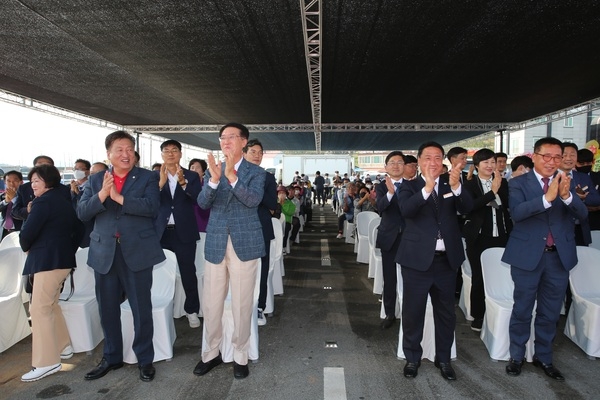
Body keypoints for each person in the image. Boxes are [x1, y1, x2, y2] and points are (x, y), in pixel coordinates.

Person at [78, 130, 165, 382]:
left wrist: (119, 197)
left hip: (137, 251)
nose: (125, 154)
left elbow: (151, 208)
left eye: (129, 149)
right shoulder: (96, 180)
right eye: (119, 150)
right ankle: (112, 356)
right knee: (107, 309)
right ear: (109, 154)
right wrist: (103, 195)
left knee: (141, 308)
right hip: (104, 252)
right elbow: (82, 212)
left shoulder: (147, 177)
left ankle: (145, 359)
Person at [502, 137, 587, 381]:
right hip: (527, 257)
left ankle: (544, 357)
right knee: (522, 309)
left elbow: (582, 216)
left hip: (558, 258)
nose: (551, 162)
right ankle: (517, 356)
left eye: (556, 157)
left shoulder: (566, 181)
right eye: (546, 156)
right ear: (535, 157)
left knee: (550, 312)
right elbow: (517, 213)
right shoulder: (518, 183)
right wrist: (547, 198)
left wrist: (568, 196)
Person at [193, 123, 265, 380]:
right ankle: (211, 353)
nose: (226, 142)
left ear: (243, 142)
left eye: (232, 137)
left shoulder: (257, 172)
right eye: (223, 137)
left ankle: (240, 355)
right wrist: (213, 180)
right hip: (215, 243)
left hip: (244, 244)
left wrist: (231, 176)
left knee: (242, 304)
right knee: (211, 304)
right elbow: (202, 204)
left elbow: (253, 200)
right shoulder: (213, 171)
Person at [396, 141, 473, 381]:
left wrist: (457, 186)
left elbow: (468, 208)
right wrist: (427, 188)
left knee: (446, 313)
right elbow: (407, 211)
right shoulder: (410, 187)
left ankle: (444, 358)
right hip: (417, 262)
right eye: (428, 158)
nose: (433, 162)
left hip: (445, 262)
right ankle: (412, 357)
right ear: (418, 161)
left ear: (444, 162)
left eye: (438, 158)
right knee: (413, 312)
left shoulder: (452, 185)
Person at [19, 164, 83, 382]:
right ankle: (63, 347)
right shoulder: (62, 199)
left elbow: (26, 235)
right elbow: (79, 229)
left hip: (47, 261)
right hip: (61, 259)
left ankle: (47, 362)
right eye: (32, 181)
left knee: (38, 309)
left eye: (37, 180)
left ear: (48, 181)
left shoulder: (42, 202)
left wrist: (29, 215)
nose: (32, 185)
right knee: (51, 306)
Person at [462, 149, 512, 332]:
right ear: (476, 166)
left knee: (500, 276)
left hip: (502, 235)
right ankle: (478, 315)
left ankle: (498, 311)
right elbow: (469, 206)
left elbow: (507, 205)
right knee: (480, 277)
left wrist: (496, 194)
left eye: (493, 162)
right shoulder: (469, 185)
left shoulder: (503, 182)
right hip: (478, 237)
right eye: (485, 163)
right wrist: (491, 194)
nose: (490, 166)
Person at [155, 139, 202, 328]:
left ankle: (191, 310)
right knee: (159, 273)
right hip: (161, 232)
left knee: (188, 272)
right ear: (162, 155)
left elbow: (199, 199)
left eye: (174, 150)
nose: (170, 154)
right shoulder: (154, 176)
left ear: (181, 154)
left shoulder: (191, 175)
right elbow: (149, 202)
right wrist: (160, 184)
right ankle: (161, 308)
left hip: (184, 232)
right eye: (166, 151)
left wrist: (183, 183)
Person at [243, 139, 277, 326]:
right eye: (253, 151)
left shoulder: (267, 177)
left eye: (260, 152)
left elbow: (272, 203)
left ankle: (259, 306)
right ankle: (241, 305)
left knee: (260, 271)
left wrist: (253, 189)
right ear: (244, 153)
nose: (257, 155)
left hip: (261, 228)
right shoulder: (234, 174)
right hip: (238, 229)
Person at [375, 151, 405, 330]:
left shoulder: (414, 185)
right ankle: (389, 313)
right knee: (390, 277)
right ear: (386, 167)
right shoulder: (381, 187)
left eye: (400, 162)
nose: (396, 165)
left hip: (410, 238)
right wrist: (390, 193)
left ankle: (408, 311)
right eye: (392, 162)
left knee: (411, 276)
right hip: (389, 238)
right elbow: (380, 207)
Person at [12, 155, 70, 222]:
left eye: (47, 166)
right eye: (40, 165)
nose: (43, 169)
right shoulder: (24, 188)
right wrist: (27, 210)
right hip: (30, 227)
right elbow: (15, 211)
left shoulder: (64, 189)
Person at [70, 159, 92, 247]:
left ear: (87, 171)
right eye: (75, 169)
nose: (77, 171)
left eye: (80, 169)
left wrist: (78, 194)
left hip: (87, 229)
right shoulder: (70, 187)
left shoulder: (92, 187)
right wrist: (72, 192)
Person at [576, 148, 600, 230]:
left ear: (593, 162)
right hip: (577, 223)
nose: (585, 166)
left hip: (596, 222)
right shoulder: (570, 177)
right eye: (582, 163)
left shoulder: (598, 177)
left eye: (588, 163)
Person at [188, 158, 211, 233]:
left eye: (197, 167)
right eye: (192, 167)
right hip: (189, 222)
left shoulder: (207, 185)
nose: (194, 170)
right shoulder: (185, 185)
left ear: (203, 171)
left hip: (204, 221)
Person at [1, 170, 23, 239]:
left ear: (21, 182)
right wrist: (6, 201)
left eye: (15, 181)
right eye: (8, 181)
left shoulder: (25, 196)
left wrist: (13, 199)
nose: (12, 184)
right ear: (5, 182)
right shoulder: (2, 196)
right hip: (4, 230)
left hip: (20, 229)